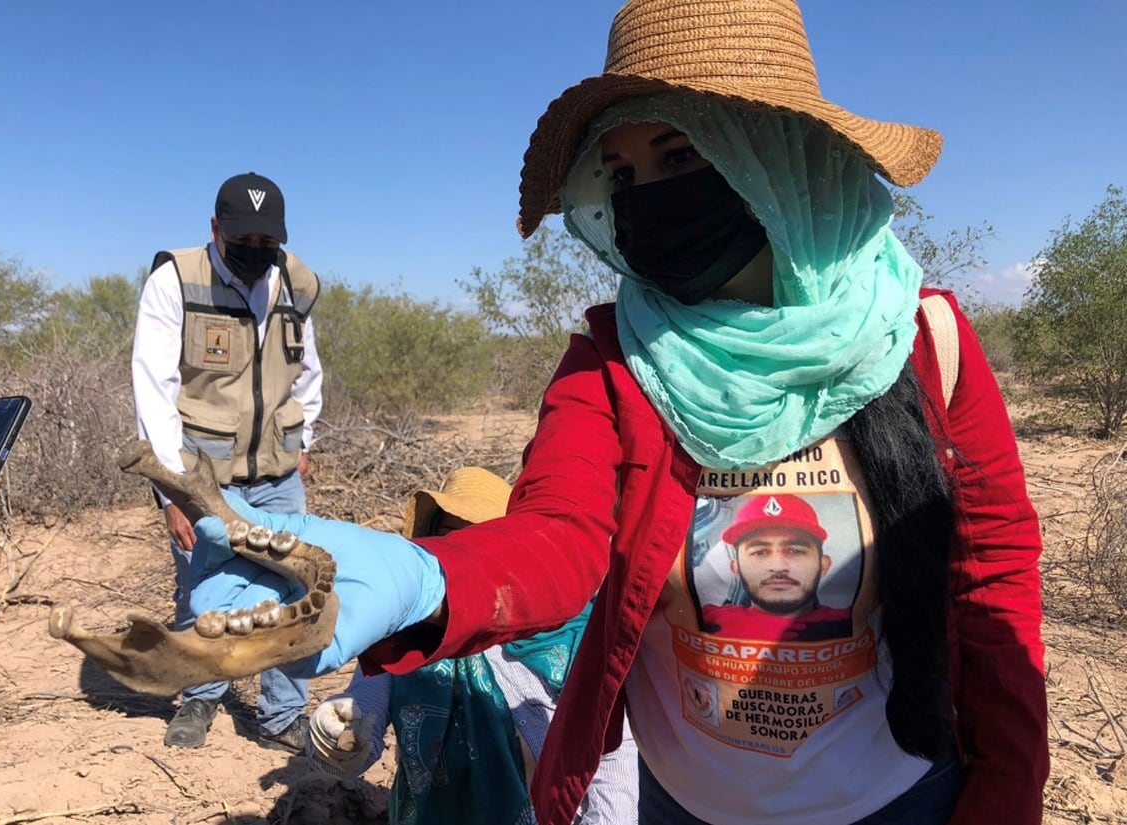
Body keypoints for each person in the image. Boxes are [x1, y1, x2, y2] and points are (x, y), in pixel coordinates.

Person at [188, 2, 1048, 822]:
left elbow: (994, 579)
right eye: (624, 174)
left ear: (775, 155)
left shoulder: (923, 339)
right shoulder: (614, 359)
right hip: (686, 807)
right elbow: (559, 534)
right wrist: (428, 578)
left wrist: (1009, 788)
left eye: (680, 158)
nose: (647, 197)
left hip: (902, 800)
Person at [306, 467, 638, 824]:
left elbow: (612, 751)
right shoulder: (404, 636)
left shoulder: (572, 637)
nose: (465, 556)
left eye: (482, 541)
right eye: (451, 538)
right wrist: (339, 732)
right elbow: (359, 723)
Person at [132, 171, 323, 752]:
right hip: (204, 472)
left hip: (279, 470)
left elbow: (308, 370)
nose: (257, 252)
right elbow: (153, 387)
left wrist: (305, 440)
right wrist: (173, 494)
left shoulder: (296, 282)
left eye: (269, 242)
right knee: (205, 585)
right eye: (245, 239)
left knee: (296, 588)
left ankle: (282, 715)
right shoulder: (175, 281)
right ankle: (199, 699)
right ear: (216, 228)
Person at [701, 494, 853, 642]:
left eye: (795, 551)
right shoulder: (708, 620)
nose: (778, 567)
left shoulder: (851, 622)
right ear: (736, 568)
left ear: (823, 565)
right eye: (760, 552)